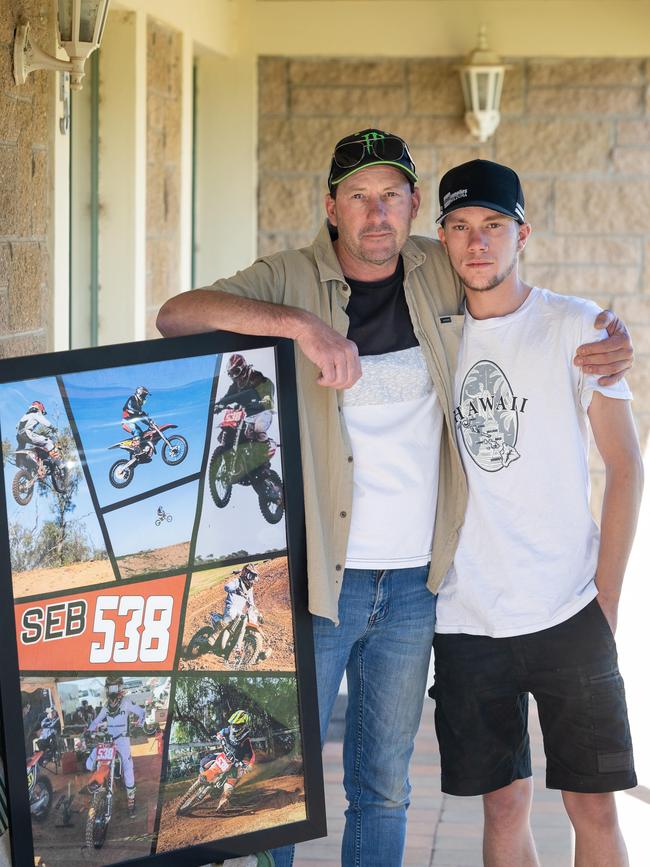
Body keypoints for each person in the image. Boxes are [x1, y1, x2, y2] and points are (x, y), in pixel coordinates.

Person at [156, 129, 633, 867]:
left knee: (383, 789)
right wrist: (302, 327)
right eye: (359, 196)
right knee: (274, 782)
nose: (377, 213)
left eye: (392, 196)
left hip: (416, 591)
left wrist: (612, 335)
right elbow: (177, 316)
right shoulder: (289, 277)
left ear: (415, 207)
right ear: (331, 206)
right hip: (320, 582)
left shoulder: (436, 272)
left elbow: (528, 308)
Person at [431, 159, 643, 867]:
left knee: (593, 807)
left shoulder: (576, 326)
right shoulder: (435, 335)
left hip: (568, 607)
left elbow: (626, 466)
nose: (477, 242)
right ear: (442, 238)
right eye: (460, 227)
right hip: (468, 616)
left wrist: (606, 596)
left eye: (493, 225)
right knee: (505, 802)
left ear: (523, 232)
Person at [86, 675, 145, 818]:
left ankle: (131, 801)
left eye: (115, 687)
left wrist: (140, 724)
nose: (112, 691)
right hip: (109, 739)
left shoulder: (126, 701)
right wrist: (89, 730)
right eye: (110, 688)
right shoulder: (106, 706)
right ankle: (99, 785)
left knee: (128, 766)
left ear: (120, 688)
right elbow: (97, 720)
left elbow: (142, 712)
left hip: (123, 740)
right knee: (92, 759)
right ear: (107, 689)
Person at [200, 709, 255, 811]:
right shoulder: (228, 730)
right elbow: (221, 732)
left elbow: (251, 755)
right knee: (204, 762)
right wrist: (219, 736)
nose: (234, 727)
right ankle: (204, 778)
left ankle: (224, 800)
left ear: (244, 726)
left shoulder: (246, 741)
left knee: (232, 780)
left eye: (237, 725)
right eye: (233, 724)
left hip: (236, 763)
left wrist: (248, 765)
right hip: (225, 756)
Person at [215, 353, 275, 443]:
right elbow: (228, 397)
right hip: (245, 413)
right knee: (222, 435)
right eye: (231, 374)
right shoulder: (236, 385)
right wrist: (218, 406)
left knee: (259, 429)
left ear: (243, 369)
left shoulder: (259, 378)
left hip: (260, 411)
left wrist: (265, 399)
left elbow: (267, 394)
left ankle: (265, 443)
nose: (234, 376)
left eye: (235, 372)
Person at [16, 401, 57, 467]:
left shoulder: (27, 414)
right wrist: (53, 428)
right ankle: (54, 460)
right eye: (43, 411)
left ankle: (20, 461)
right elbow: (45, 422)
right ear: (41, 407)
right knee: (48, 442)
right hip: (27, 433)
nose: (42, 413)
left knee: (21, 447)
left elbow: (17, 425)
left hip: (19, 435)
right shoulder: (36, 412)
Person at [121, 385, 150, 454]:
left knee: (142, 434)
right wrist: (139, 412)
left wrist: (149, 423)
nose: (144, 398)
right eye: (144, 396)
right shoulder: (132, 398)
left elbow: (141, 419)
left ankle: (140, 449)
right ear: (139, 393)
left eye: (145, 396)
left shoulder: (138, 406)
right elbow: (129, 408)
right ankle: (135, 447)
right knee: (137, 431)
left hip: (130, 422)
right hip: (126, 422)